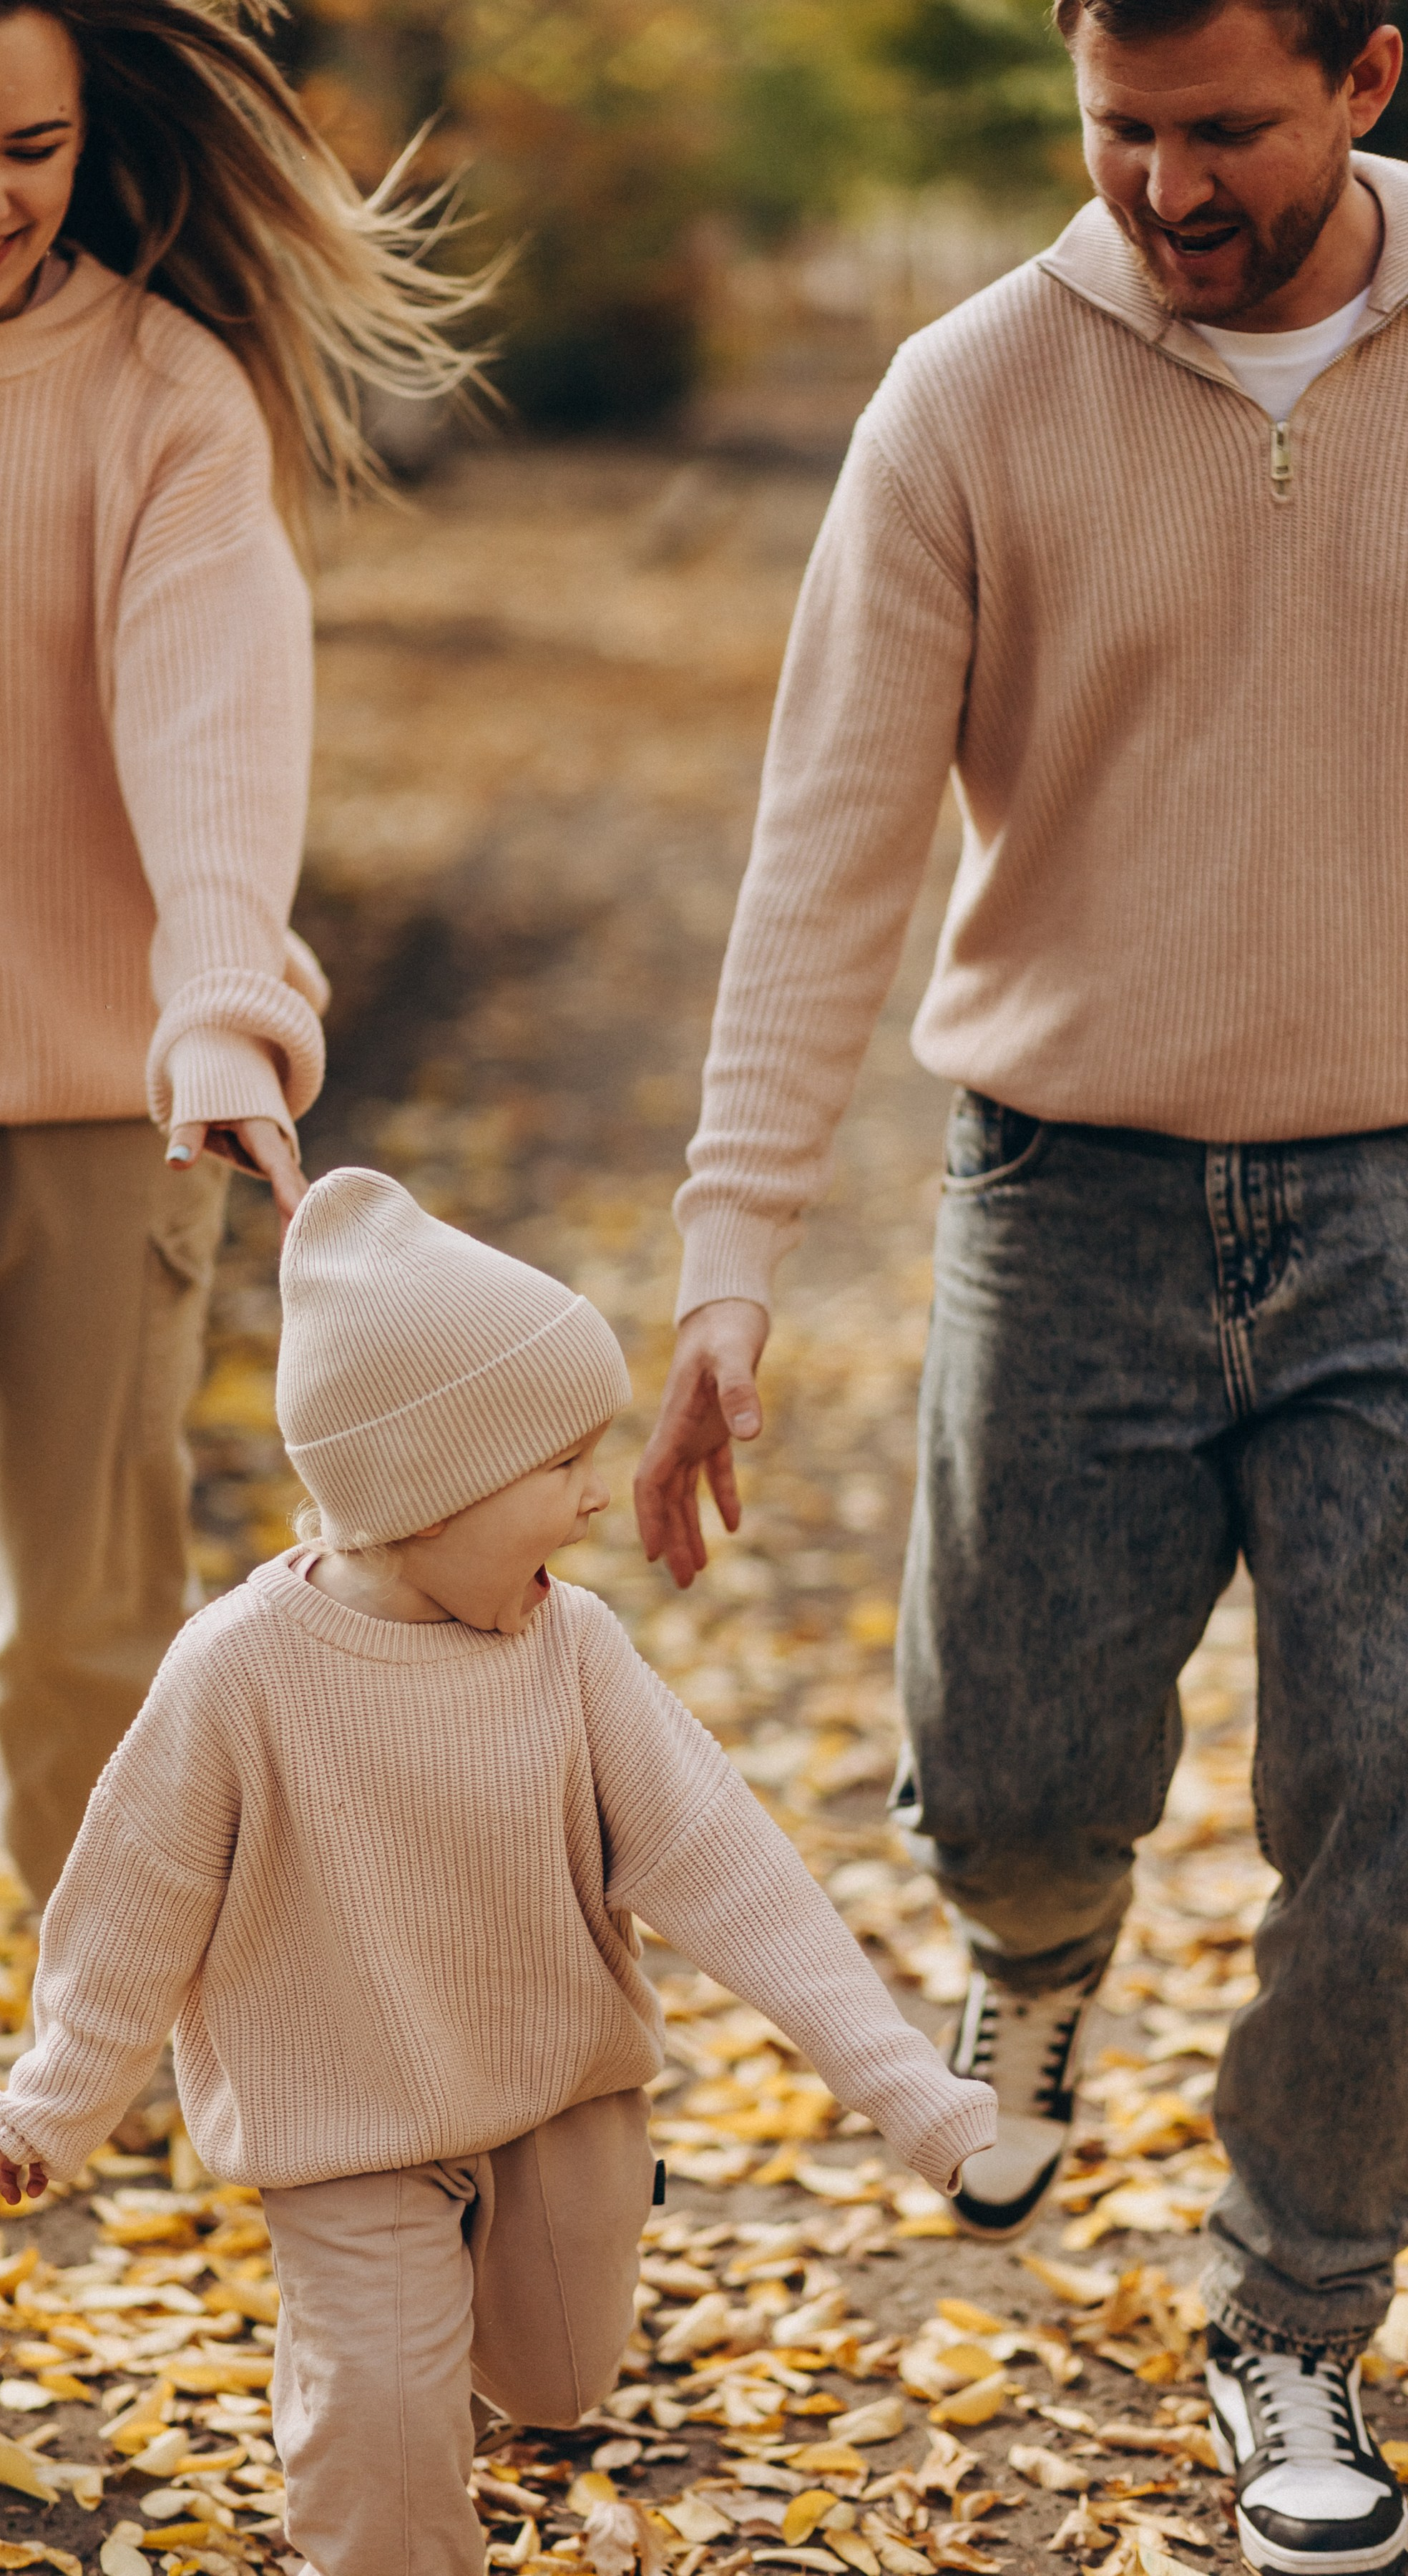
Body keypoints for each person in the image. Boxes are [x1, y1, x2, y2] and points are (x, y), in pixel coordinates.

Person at [635, 1, 1408, 2568]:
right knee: (1009, 1773)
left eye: (1226, 128)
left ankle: (1298, 2315)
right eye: (1121, 126)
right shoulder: (968, 398)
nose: (1165, 187)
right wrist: (729, 1256)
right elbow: (830, 844)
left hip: (1402, 1193)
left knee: (1396, 1803)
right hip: (1067, 1197)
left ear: (1369, 77)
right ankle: (1036, 1946)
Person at [0, 0, 479, 2492]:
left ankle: (207, 2076)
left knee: (91, 1645)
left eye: (31, 147)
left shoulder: (160, 395)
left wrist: (223, 998)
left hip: (107, 1092)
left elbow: (210, 707)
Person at [0, 1167, 998, 2576]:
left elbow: (734, 1871)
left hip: (557, 2089)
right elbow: (134, 1906)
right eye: (563, 1466)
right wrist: (43, 2109)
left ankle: (436, 2341)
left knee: (560, 2378)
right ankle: (369, 2441)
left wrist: (911, 2091)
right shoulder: (239, 1675)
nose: (597, 1498)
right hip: (347, 2120)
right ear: (425, 1499)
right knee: (382, 2425)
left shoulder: (574, 1649)